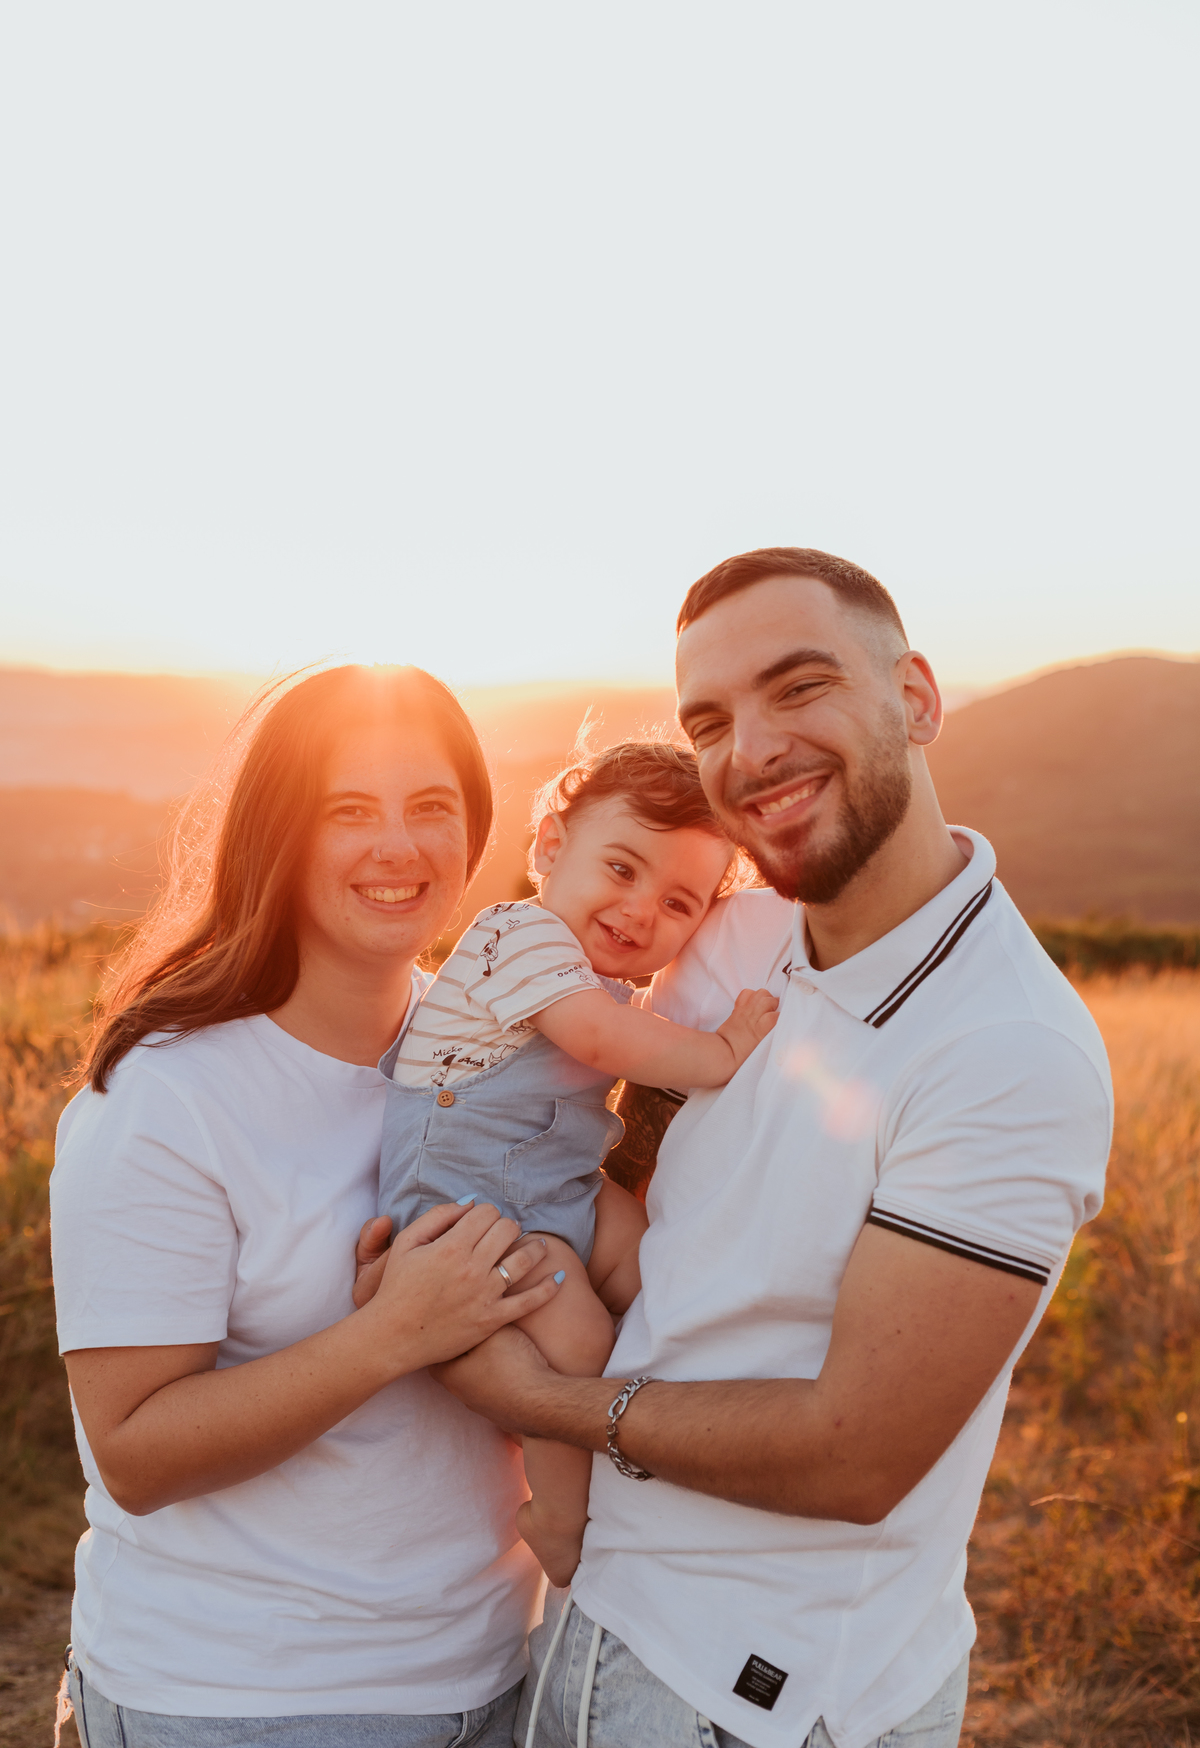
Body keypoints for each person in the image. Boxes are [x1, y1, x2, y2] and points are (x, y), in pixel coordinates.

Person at [430, 549, 1114, 1748]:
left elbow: (854, 1455)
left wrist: (548, 1400)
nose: (750, 751)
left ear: (916, 699)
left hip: (750, 1693)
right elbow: (614, 1167)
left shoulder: (1012, 1051)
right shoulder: (736, 937)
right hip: (592, 1615)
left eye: (798, 688)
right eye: (711, 720)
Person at [50, 664, 565, 1747]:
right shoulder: (167, 1095)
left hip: (497, 1676)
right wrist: (391, 1334)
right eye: (349, 811)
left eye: (432, 808)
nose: (400, 846)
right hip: (242, 1701)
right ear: (276, 838)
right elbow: (136, 1453)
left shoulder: (512, 1061)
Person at [374, 741, 777, 1587]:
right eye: (621, 869)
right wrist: (723, 1051)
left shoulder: (598, 976)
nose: (640, 912)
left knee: (659, 1259)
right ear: (551, 847)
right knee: (578, 1331)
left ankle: (717, 1410)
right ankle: (557, 1514)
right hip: (465, 1212)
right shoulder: (517, 937)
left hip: (554, 1192)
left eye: (678, 904)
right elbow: (600, 1040)